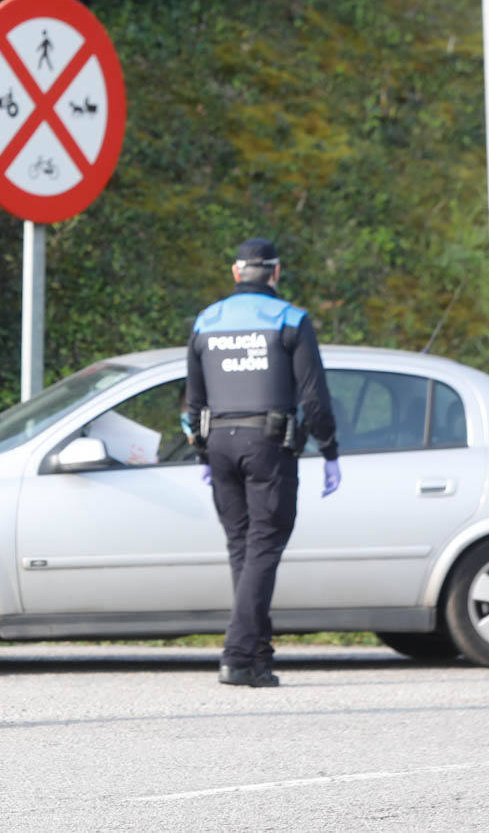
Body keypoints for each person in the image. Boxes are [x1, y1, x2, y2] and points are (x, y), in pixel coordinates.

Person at [185, 238, 340, 688]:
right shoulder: (290, 319)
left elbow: (192, 400)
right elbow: (314, 395)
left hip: (220, 444)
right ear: (275, 272)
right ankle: (237, 656)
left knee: (244, 549)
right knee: (264, 546)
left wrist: (202, 451)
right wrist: (329, 449)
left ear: (236, 273)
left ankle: (257, 654)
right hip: (269, 446)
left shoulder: (206, 321)